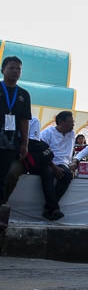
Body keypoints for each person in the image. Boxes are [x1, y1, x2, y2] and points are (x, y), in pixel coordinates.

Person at [0, 56, 31, 229]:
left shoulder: (23, 95)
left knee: (4, 176)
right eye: (12, 68)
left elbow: (24, 120)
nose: (16, 71)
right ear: (3, 69)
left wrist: (24, 143)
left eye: (19, 69)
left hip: (11, 143)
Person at [38, 111, 76, 221]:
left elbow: (68, 154)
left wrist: (72, 163)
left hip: (62, 163)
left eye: (73, 122)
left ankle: (49, 207)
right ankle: (54, 208)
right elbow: (42, 152)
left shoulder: (71, 134)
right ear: (61, 122)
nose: (73, 125)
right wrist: (54, 167)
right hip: (48, 161)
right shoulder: (47, 133)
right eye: (70, 122)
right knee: (48, 173)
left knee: (67, 175)